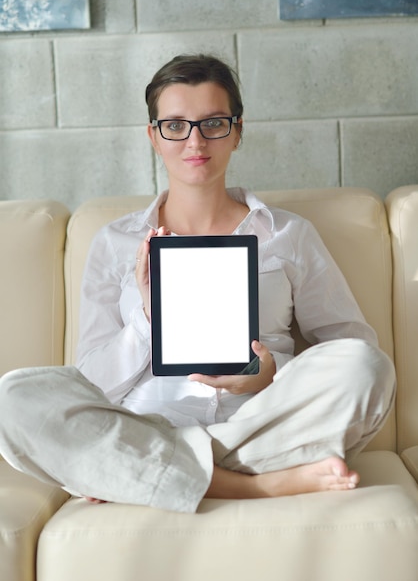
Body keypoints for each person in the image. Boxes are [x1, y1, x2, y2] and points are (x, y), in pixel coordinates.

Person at [0, 54, 396, 513]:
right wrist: (148, 317)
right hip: (148, 424)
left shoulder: (288, 234)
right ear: (154, 136)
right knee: (14, 397)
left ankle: (145, 475)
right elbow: (91, 384)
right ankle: (252, 486)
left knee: (368, 366)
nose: (195, 141)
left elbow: (350, 346)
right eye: (175, 125)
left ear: (238, 131)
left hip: (257, 424)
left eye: (213, 123)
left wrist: (270, 377)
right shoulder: (115, 243)